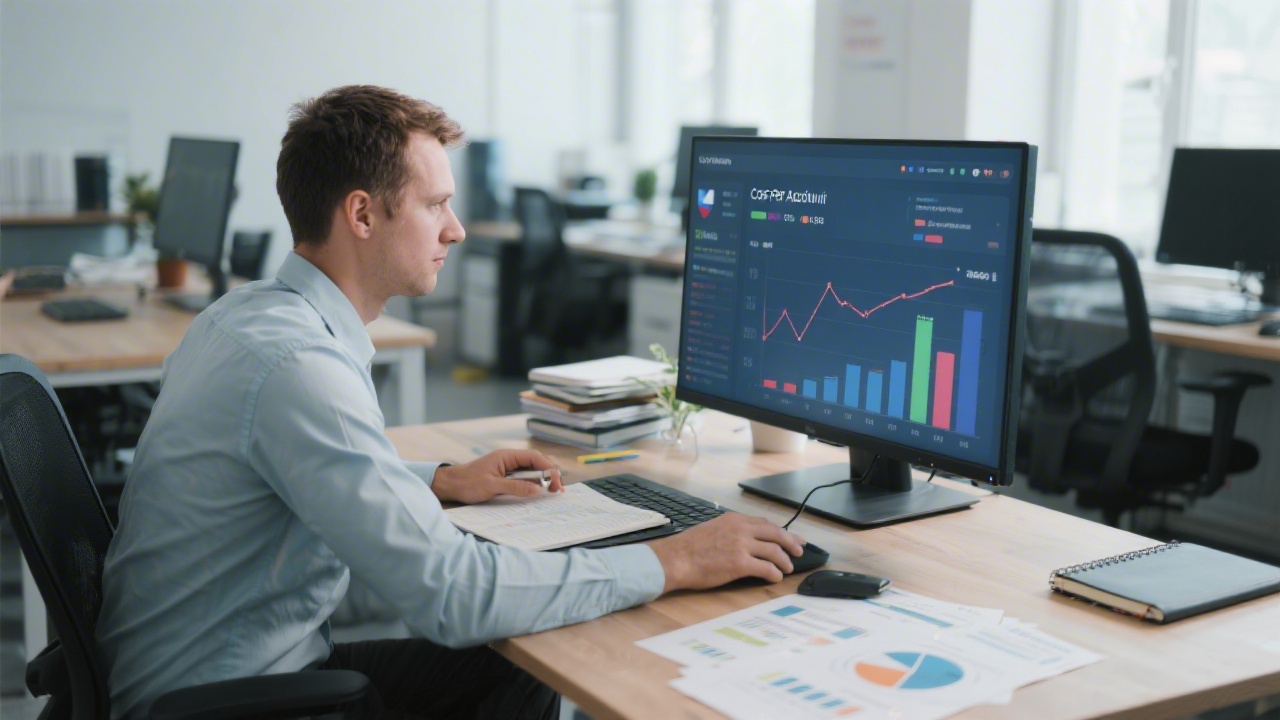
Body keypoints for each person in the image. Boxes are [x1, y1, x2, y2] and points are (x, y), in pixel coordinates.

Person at [96, 85, 805, 719]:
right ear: (363, 215)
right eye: (435, 204)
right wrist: (676, 561)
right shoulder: (297, 365)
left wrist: (436, 481)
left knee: (518, 667)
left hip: (213, 676)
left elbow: (280, 478)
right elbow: (452, 596)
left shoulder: (244, 318)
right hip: (222, 704)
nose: (456, 229)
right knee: (523, 649)